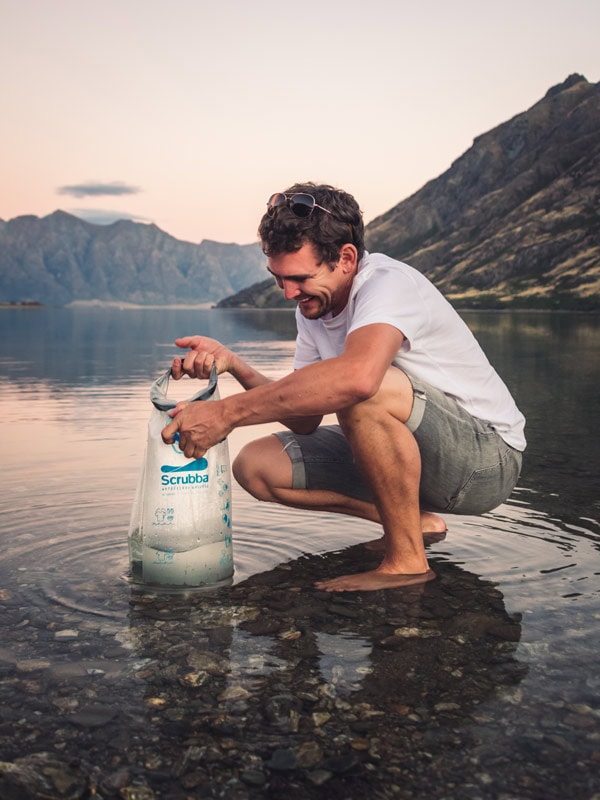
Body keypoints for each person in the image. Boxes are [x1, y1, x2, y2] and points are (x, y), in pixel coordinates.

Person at [162, 183, 526, 592]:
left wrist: (226, 414)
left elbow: (358, 379)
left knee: (360, 388)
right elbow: (303, 418)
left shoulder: (388, 284)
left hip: (484, 462)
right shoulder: (312, 307)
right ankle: (411, 524)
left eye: (298, 278)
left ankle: (407, 561)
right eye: (278, 279)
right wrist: (234, 365)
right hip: (417, 455)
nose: (288, 293)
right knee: (257, 466)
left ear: (347, 258)